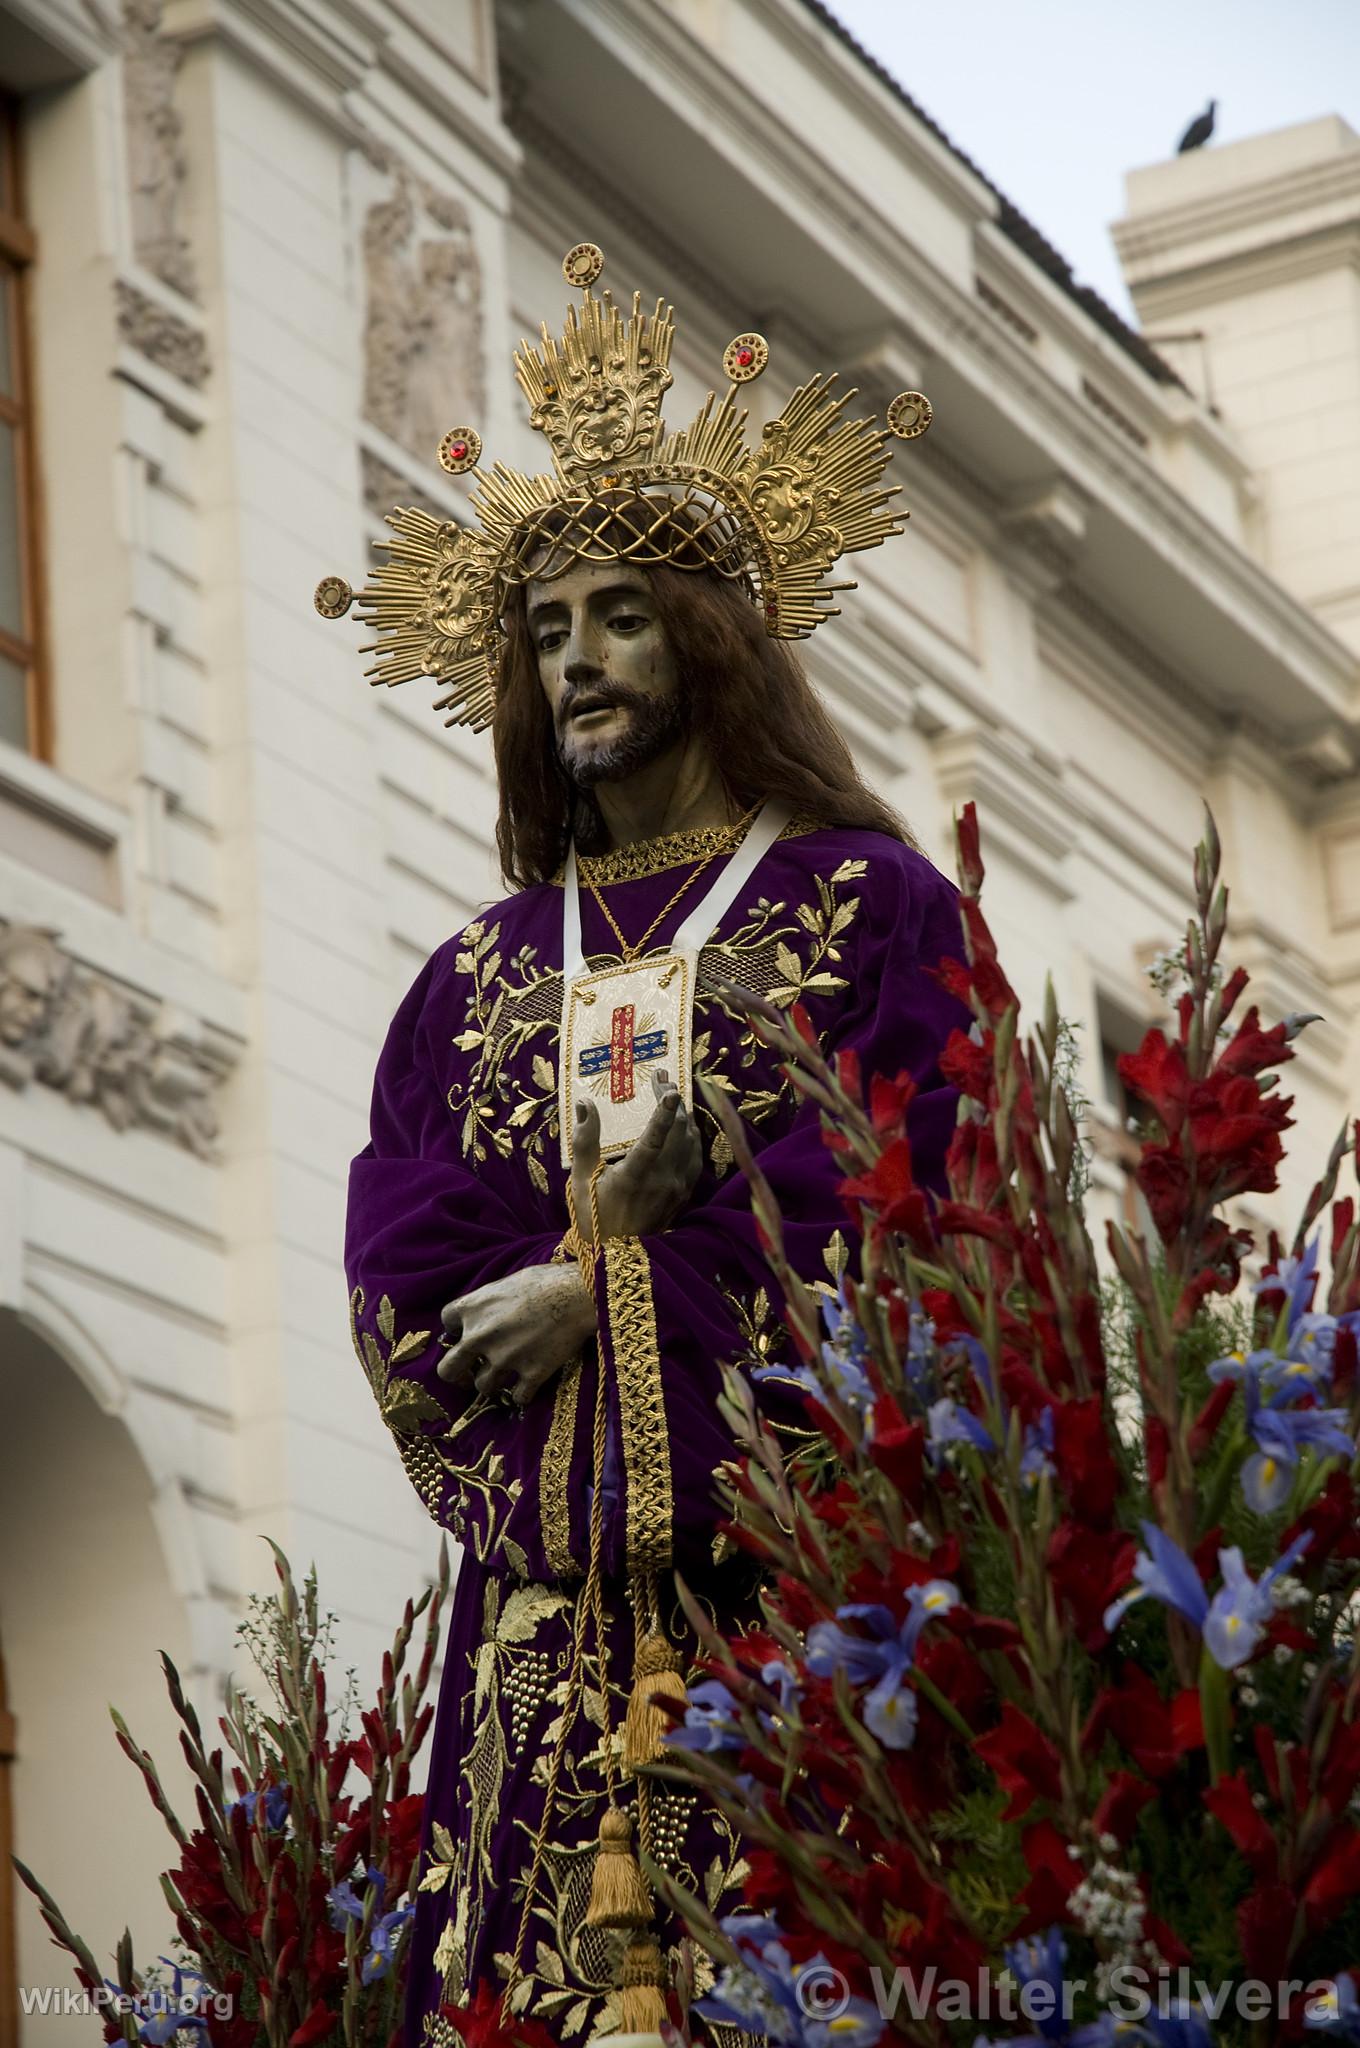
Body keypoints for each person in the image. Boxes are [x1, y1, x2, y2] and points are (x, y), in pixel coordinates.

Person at [334, 244, 966, 2046]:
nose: (579, 661)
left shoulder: (875, 907)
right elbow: (405, 1248)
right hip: (542, 1653)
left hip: (805, 1606)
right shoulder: (476, 975)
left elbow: (931, 1203)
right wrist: (546, 1304)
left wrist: (639, 1274)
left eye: (618, 614)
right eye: (545, 631)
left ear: (707, 638)